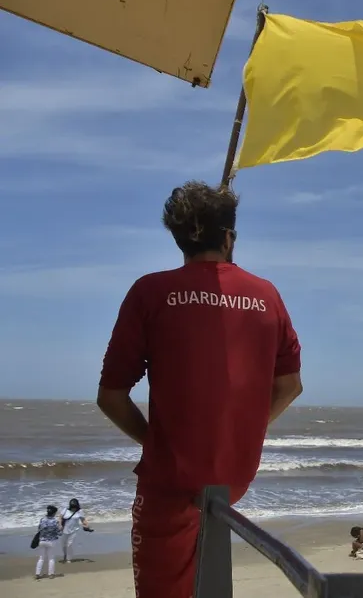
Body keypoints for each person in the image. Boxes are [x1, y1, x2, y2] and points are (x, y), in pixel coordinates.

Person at [97, 181, 303, 598]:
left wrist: (156, 442)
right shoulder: (266, 295)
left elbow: (111, 396)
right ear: (229, 238)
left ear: (178, 239)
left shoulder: (150, 291)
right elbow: (290, 386)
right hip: (234, 478)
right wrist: (241, 431)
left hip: (170, 482)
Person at [60, 497, 92, 563]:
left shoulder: (79, 512)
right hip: (64, 530)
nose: (74, 508)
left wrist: (87, 526)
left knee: (69, 544)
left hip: (74, 530)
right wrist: (60, 525)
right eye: (72, 507)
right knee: (64, 544)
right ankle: (65, 555)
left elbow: (83, 520)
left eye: (75, 507)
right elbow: (60, 517)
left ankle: (69, 559)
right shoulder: (65, 510)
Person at [35, 505, 62, 579]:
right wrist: (60, 526)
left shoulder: (42, 519)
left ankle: (37, 573)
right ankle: (51, 574)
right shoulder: (55, 521)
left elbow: (39, 529)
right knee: (51, 558)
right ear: (54, 513)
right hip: (51, 542)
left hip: (42, 541)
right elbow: (59, 533)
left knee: (41, 558)